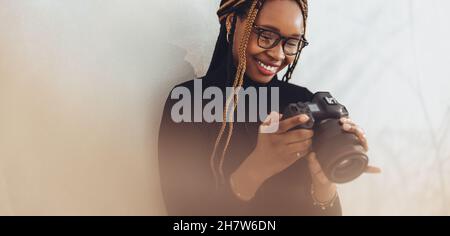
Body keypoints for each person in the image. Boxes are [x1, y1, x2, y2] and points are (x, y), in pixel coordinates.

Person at [158, 0, 380, 216]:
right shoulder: (188, 102)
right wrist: (257, 168)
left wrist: (325, 186)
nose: (279, 54)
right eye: (266, 35)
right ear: (232, 21)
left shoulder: (303, 102)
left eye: (292, 42)